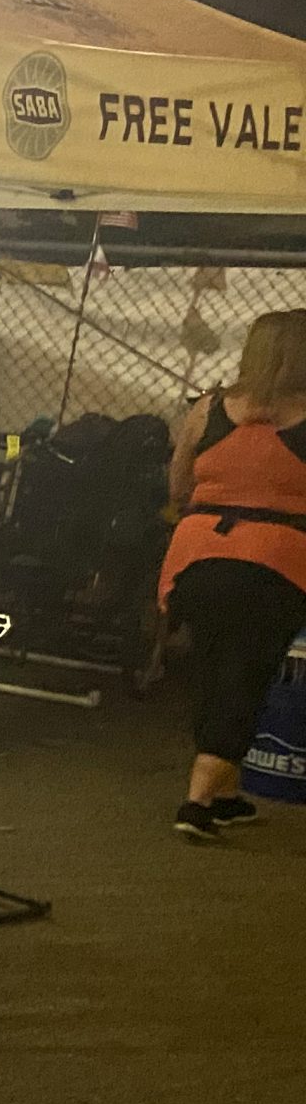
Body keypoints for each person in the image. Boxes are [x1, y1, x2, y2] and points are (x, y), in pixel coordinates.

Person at [158, 309, 306, 840]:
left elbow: (178, 482)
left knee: (212, 666)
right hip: (275, 561)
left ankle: (223, 796)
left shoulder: (209, 408)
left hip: (197, 555)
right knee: (247, 674)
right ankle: (196, 802)